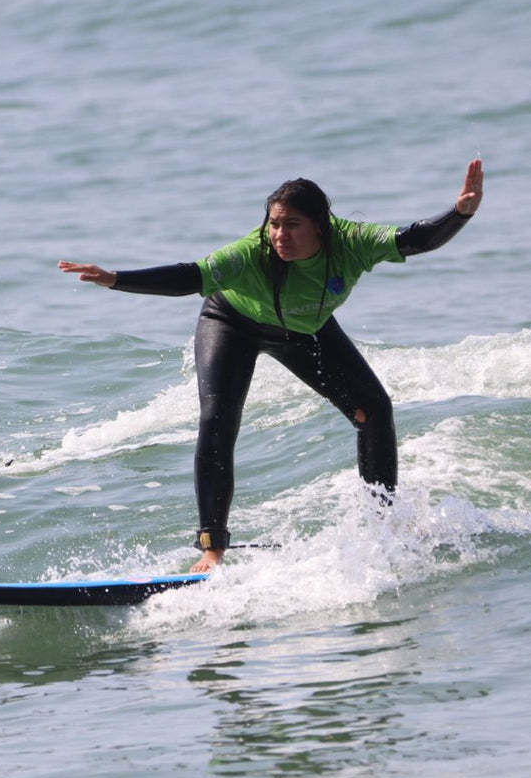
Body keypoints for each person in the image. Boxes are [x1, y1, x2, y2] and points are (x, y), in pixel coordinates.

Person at [59, 159, 483, 573]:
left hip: (304, 330)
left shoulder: (351, 242)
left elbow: (416, 239)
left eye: (292, 225)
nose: (280, 235)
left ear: (320, 224)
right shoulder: (250, 254)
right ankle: (211, 548)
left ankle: (384, 525)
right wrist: (116, 278)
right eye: (274, 224)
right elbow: (190, 276)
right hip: (231, 322)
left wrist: (459, 213)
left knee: (373, 409)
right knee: (218, 420)